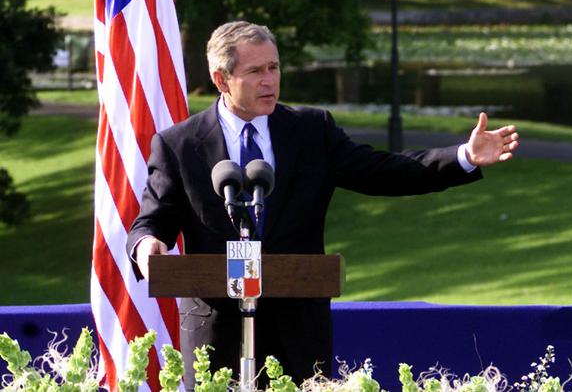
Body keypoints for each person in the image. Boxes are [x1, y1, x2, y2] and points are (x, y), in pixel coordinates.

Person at [127, 21, 520, 386]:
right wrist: (147, 247)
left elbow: (383, 171)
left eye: (274, 68)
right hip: (215, 333)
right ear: (221, 79)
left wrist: (463, 156)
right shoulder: (179, 144)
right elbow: (151, 221)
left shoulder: (312, 131)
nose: (270, 81)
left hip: (297, 329)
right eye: (255, 72)